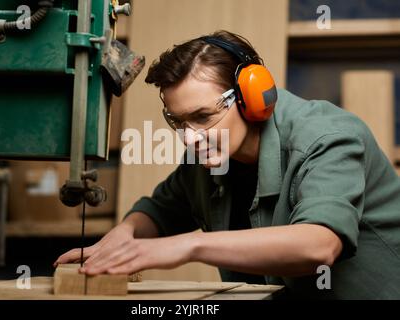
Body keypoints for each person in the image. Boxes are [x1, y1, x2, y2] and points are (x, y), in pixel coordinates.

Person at [55, 30, 400, 299]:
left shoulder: (327, 137)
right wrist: (121, 239)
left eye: (203, 116)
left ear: (253, 98)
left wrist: (189, 246)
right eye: (178, 122)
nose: (189, 138)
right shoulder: (207, 157)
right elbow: (160, 209)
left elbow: (319, 245)